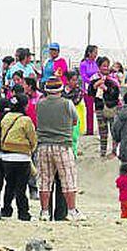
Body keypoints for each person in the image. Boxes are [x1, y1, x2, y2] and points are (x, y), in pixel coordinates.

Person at [35, 78, 84, 221]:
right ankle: (72, 210)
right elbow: (75, 121)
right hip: (62, 145)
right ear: (60, 89)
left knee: (45, 180)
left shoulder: (40, 104)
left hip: (43, 145)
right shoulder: (67, 104)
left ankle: (44, 211)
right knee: (68, 179)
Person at [0, 94, 37, 221]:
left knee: (9, 185)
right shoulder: (26, 120)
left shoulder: (5, 118)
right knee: (21, 187)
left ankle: (6, 209)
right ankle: (23, 212)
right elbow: (33, 138)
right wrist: (30, 149)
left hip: (7, 157)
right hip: (22, 158)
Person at [91, 56, 120, 157]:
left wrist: (106, 88)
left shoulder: (113, 78)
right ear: (98, 67)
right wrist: (95, 86)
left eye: (107, 66)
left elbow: (116, 93)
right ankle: (102, 152)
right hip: (99, 107)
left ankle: (114, 151)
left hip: (112, 107)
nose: (106, 68)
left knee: (114, 131)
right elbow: (90, 93)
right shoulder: (94, 78)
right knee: (102, 132)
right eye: (103, 66)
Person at [78, 45, 99, 135]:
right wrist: (92, 82)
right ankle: (89, 130)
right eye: (95, 53)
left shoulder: (95, 63)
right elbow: (83, 77)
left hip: (97, 88)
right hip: (87, 89)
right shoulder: (83, 64)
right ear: (89, 53)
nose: (96, 55)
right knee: (89, 109)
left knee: (98, 108)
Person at [61, 71, 86, 135]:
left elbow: (75, 102)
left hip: (75, 117)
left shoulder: (79, 91)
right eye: (73, 80)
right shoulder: (61, 90)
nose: (75, 82)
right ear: (67, 81)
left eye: (76, 80)